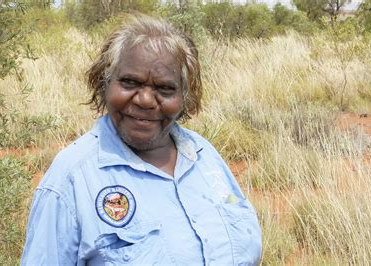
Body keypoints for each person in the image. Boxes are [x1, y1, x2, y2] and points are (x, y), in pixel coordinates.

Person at [21, 14, 262, 265]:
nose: (145, 100)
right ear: (104, 84)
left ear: (185, 97)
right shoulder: (72, 177)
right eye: (129, 82)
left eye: (165, 88)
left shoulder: (203, 155)